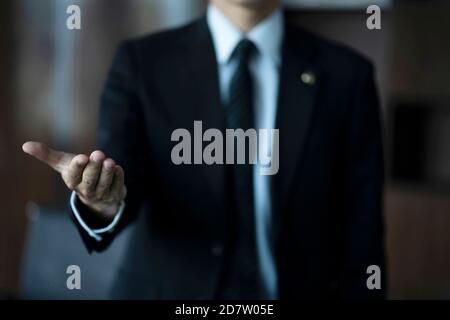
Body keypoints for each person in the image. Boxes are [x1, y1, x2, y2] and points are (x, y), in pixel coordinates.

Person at [22, 0, 385, 299]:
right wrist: (100, 198)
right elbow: (121, 175)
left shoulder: (346, 77)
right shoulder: (143, 63)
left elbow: (363, 233)